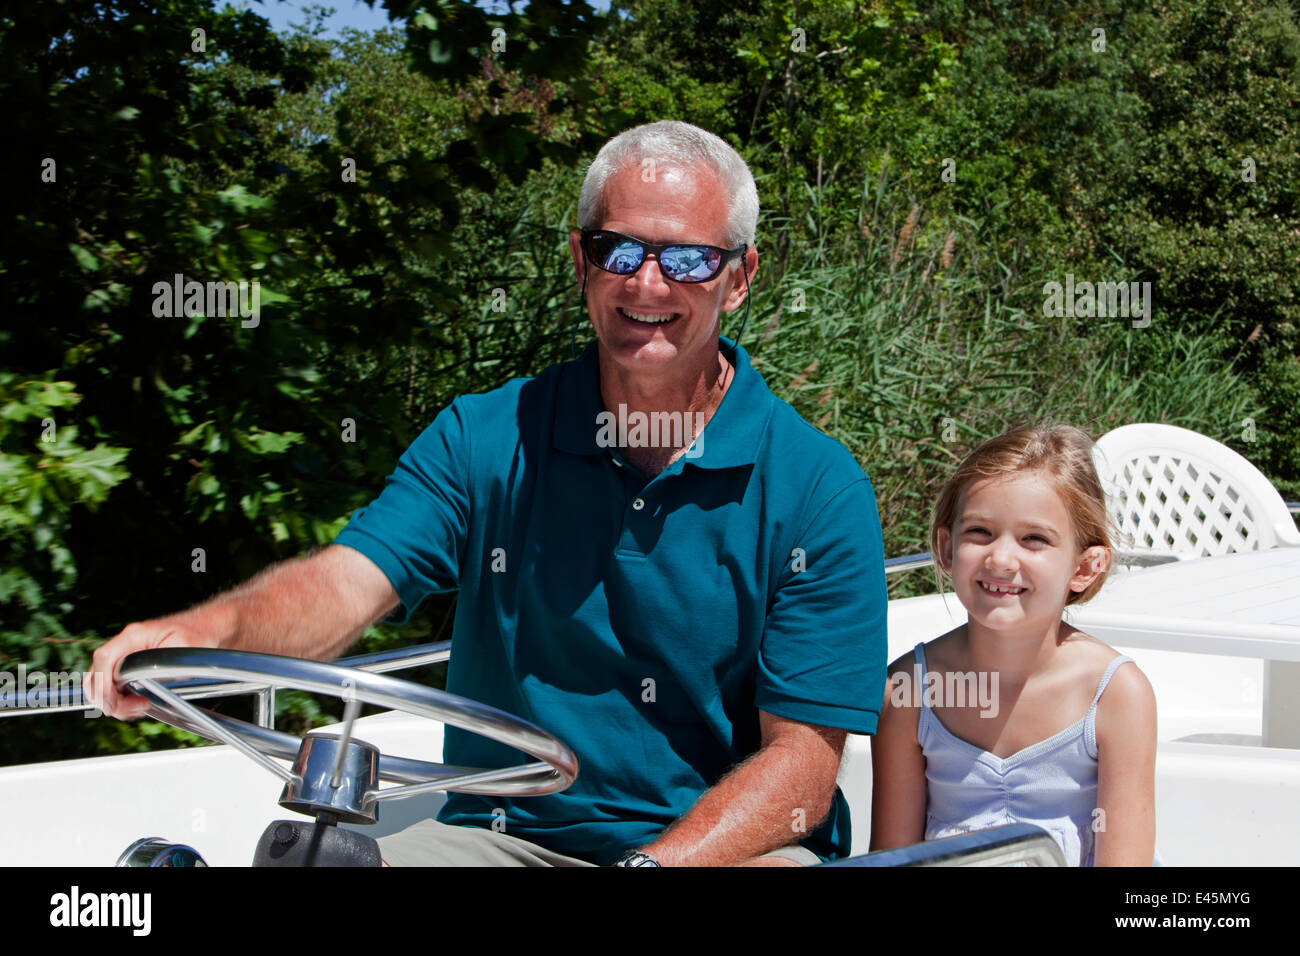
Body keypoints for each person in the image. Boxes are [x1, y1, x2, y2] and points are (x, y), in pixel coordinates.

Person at [86, 120, 889, 867]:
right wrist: (197, 632)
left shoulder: (818, 491)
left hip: (715, 855)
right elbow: (345, 582)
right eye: (619, 251)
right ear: (581, 260)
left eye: (685, 259)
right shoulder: (483, 437)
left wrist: (650, 868)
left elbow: (803, 768)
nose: (647, 284)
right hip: (497, 838)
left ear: (740, 277)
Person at [870, 425, 1158, 865]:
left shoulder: (1117, 695)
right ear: (946, 549)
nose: (1001, 559)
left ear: (1085, 567)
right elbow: (892, 859)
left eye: (1034, 539)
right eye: (980, 532)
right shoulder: (909, 691)